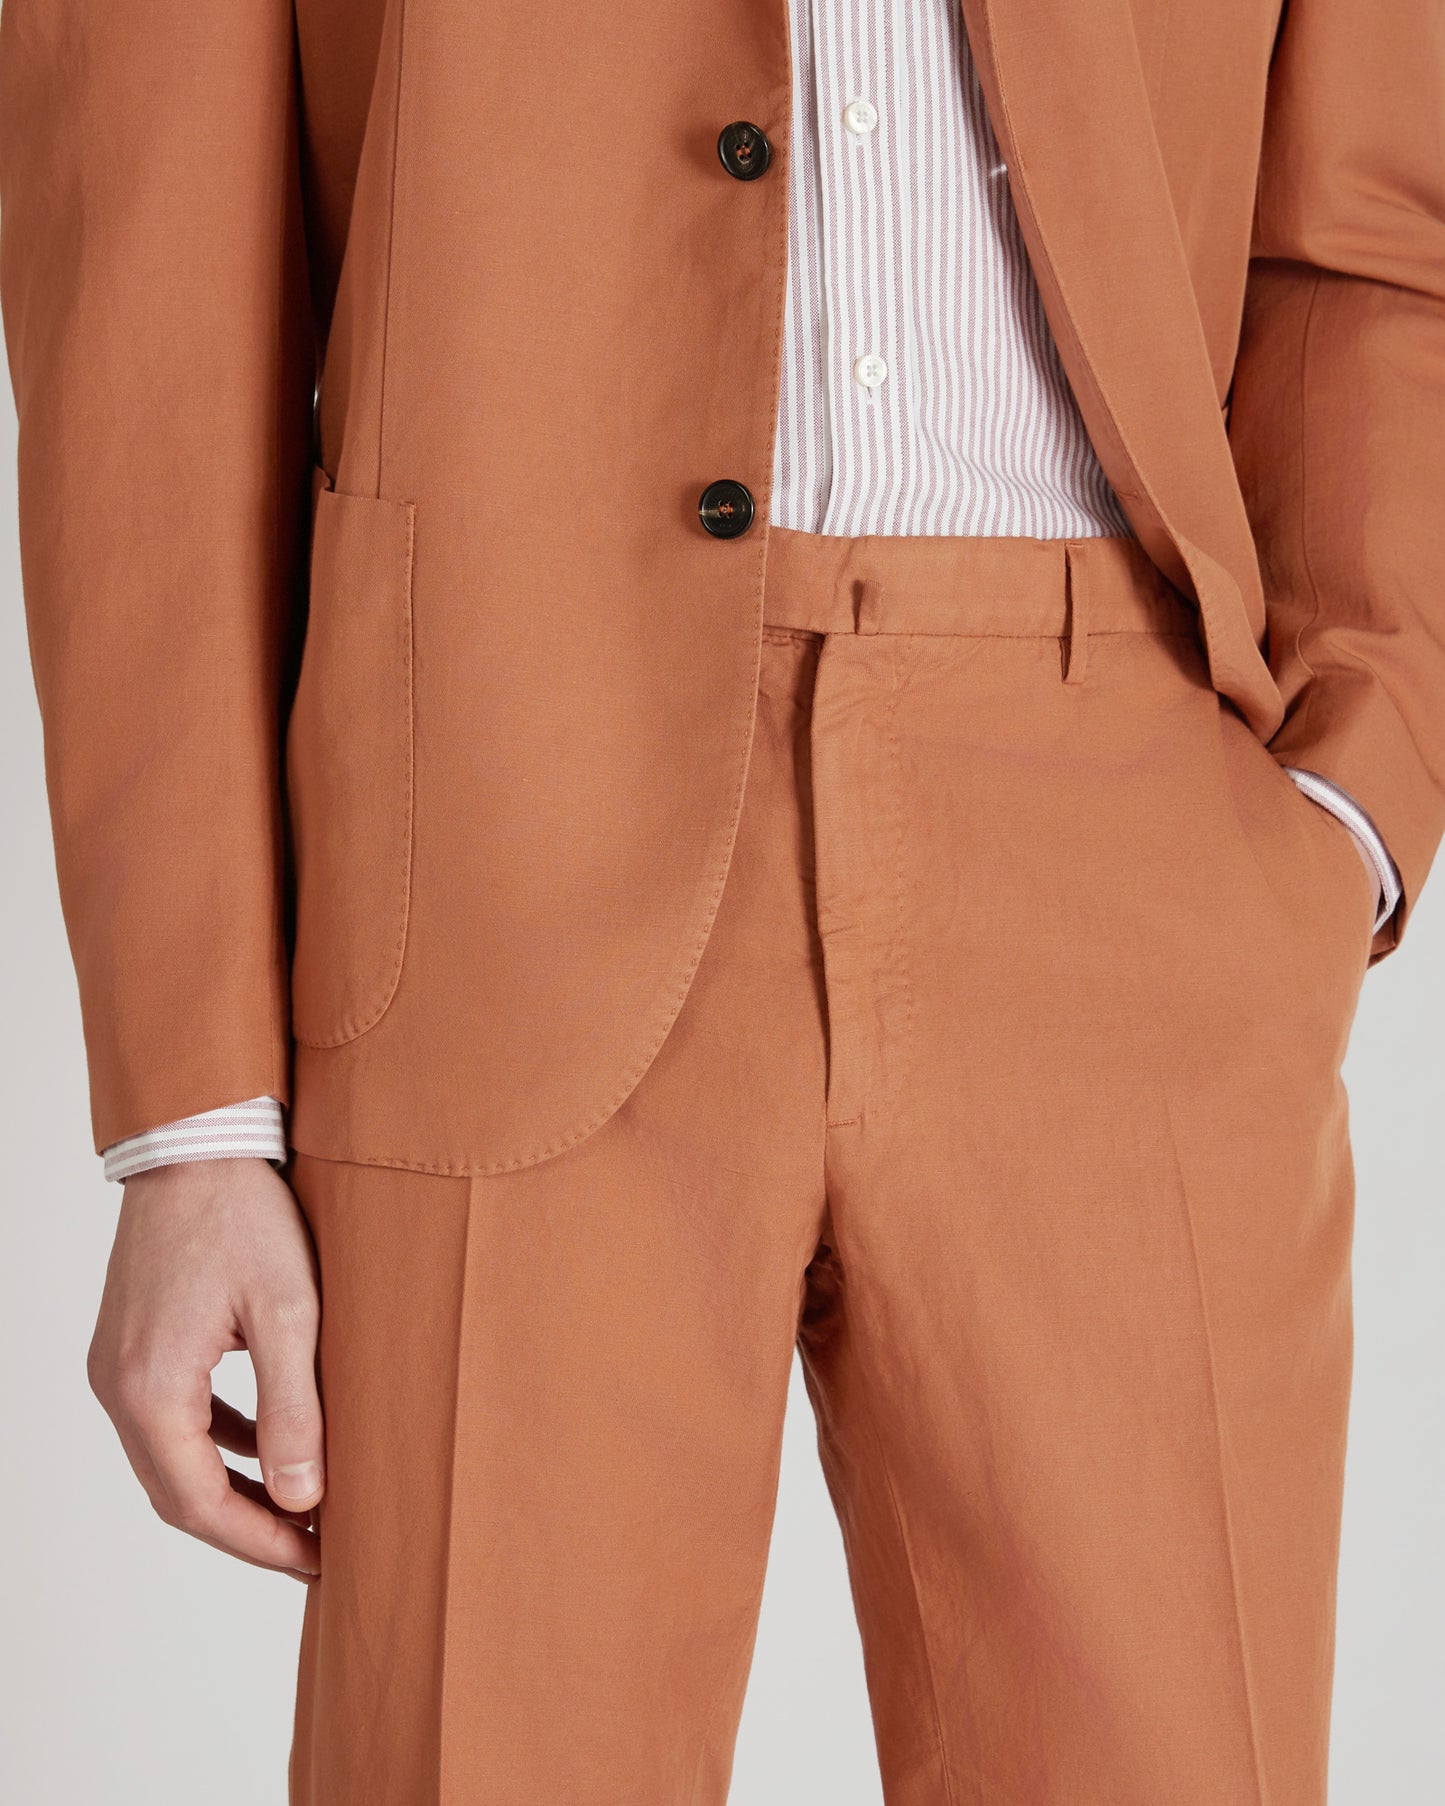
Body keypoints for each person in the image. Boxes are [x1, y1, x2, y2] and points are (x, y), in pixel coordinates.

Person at [2, 0, 1441, 1799]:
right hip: (494, 821)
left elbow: (1379, 231)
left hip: (1125, 815)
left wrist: (1356, 785)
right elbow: (139, 280)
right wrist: (191, 1115)